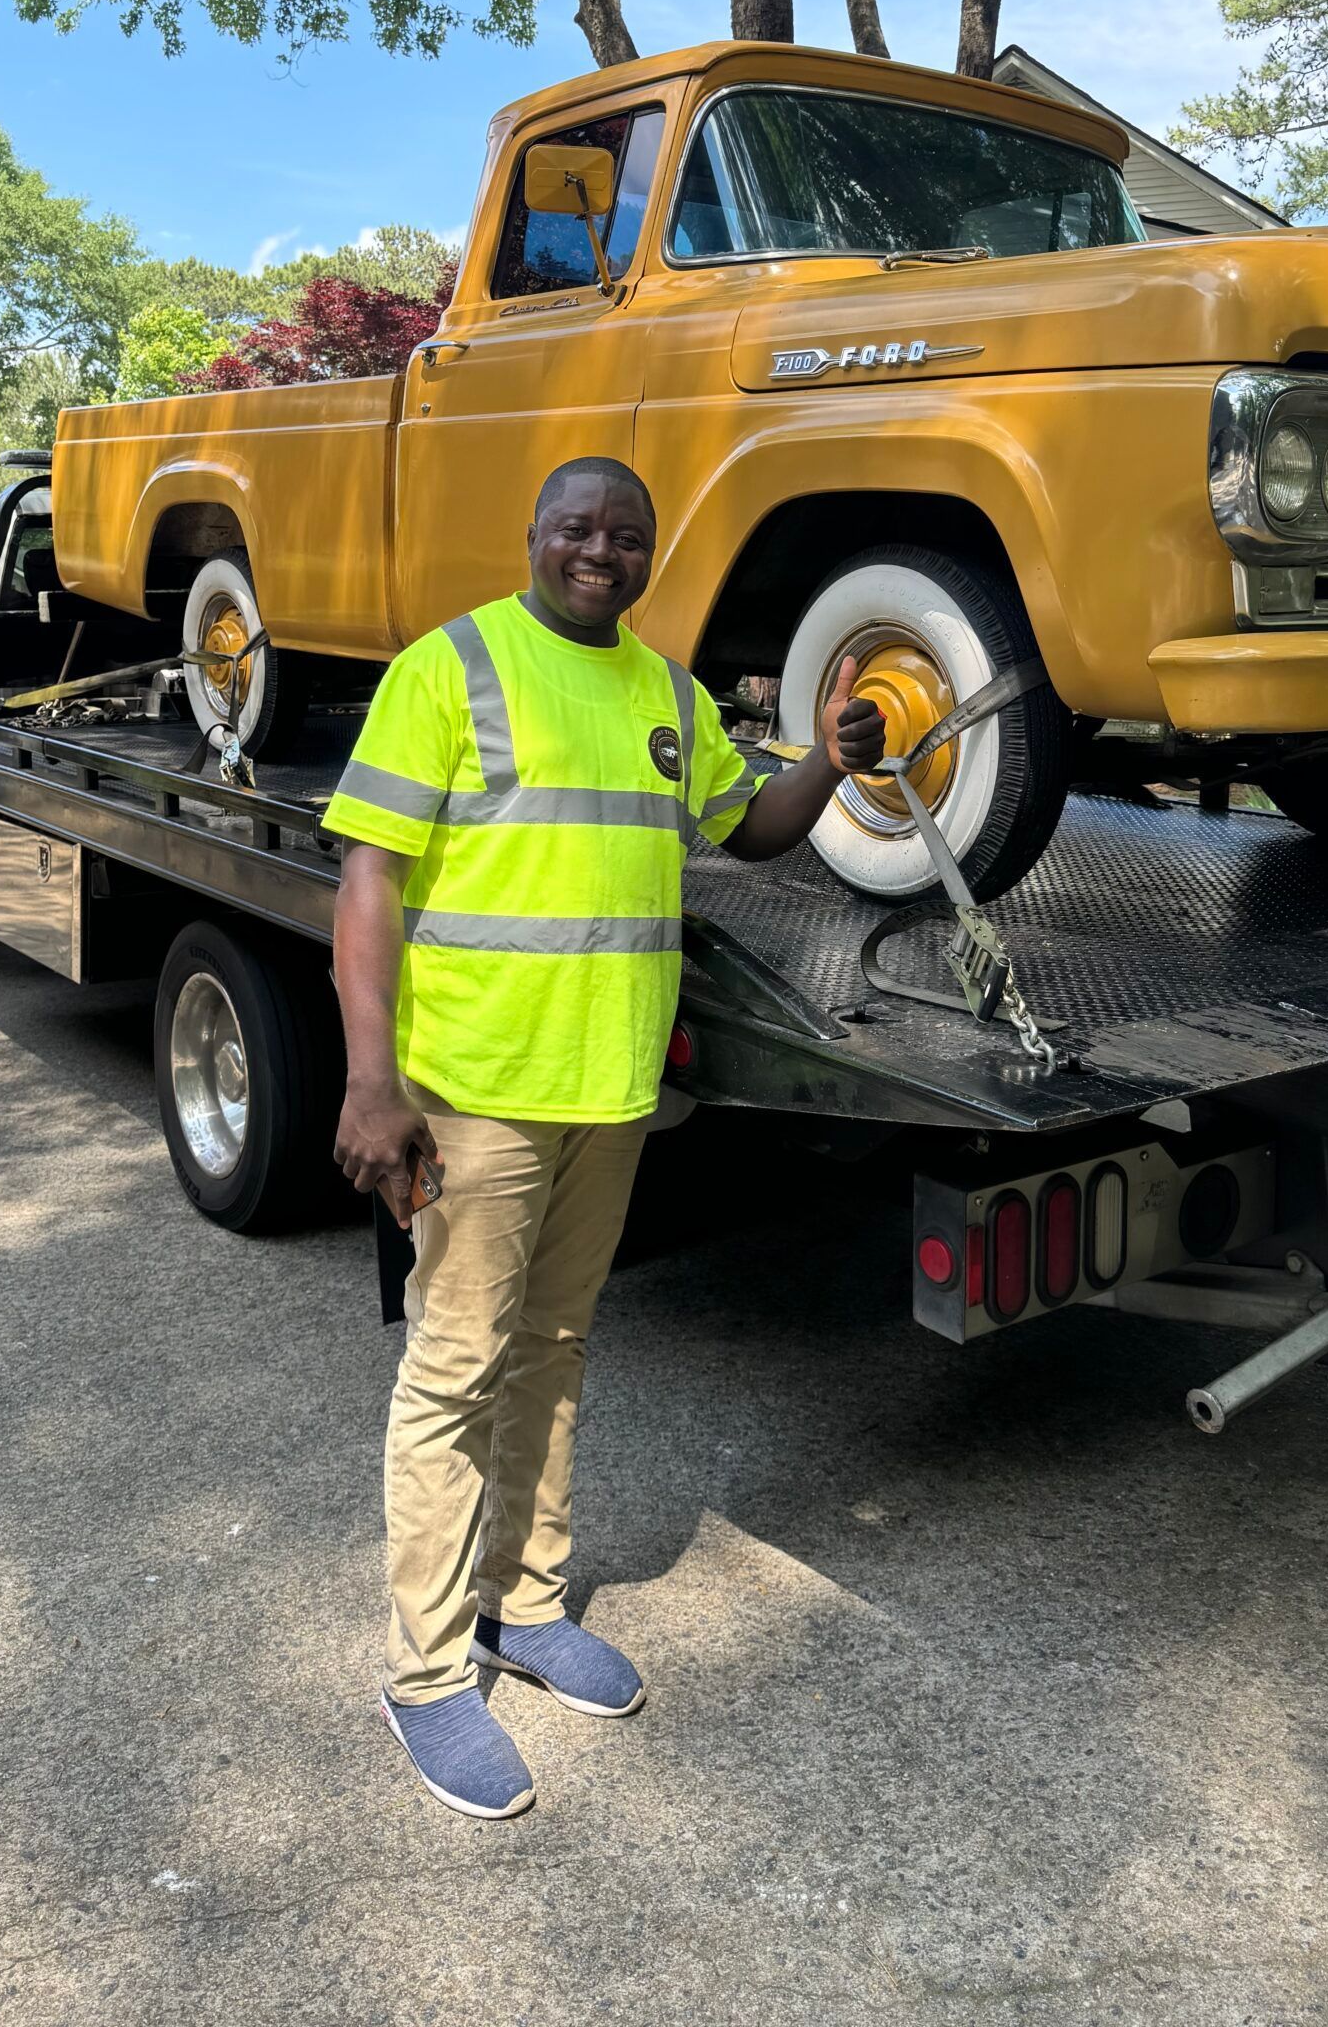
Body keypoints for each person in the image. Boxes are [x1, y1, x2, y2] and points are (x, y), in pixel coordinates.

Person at [325, 455, 887, 1820]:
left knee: (556, 1354)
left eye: (625, 536)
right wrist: (369, 1081)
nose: (601, 552)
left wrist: (826, 761)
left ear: (647, 557)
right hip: (476, 1091)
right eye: (576, 527)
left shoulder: (663, 694)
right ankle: (426, 1668)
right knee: (455, 1369)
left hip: (608, 1091)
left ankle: (523, 1604)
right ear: (535, 533)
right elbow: (368, 880)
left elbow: (746, 834)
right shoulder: (448, 669)